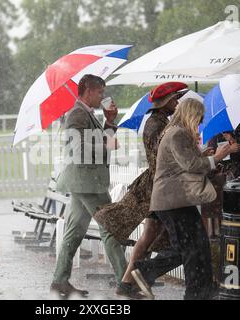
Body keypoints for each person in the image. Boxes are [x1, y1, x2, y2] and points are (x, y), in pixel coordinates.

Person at [131, 98, 238, 300]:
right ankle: (149, 273)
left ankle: (202, 288)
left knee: (198, 245)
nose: (199, 123)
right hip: (172, 201)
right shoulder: (177, 133)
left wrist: (204, 155)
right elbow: (191, 166)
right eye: (198, 119)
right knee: (189, 247)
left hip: (176, 200)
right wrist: (217, 157)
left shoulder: (177, 133)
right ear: (191, 114)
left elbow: (186, 162)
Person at [50, 74, 142, 299]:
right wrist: (108, 144)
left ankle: (60, 281)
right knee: (110, 228)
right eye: (100, 92)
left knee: (74, 231)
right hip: (87, 182)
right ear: (88, 91)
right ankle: (125, 283)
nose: (103, 96)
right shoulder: (76, 114)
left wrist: (110, 122)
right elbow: (79, 147)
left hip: (83, 182)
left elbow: (98, 139)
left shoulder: (86, 114)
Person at [93, 82, 189, 289]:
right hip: (157, 187)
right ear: (165, 102)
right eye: (174, 99)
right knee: (151, 237)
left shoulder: (162, 121)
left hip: (157, 186)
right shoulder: (157, 124)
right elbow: (161, 158)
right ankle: (130, 281)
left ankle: (128, 283)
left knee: (148, 236)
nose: (177, 102)